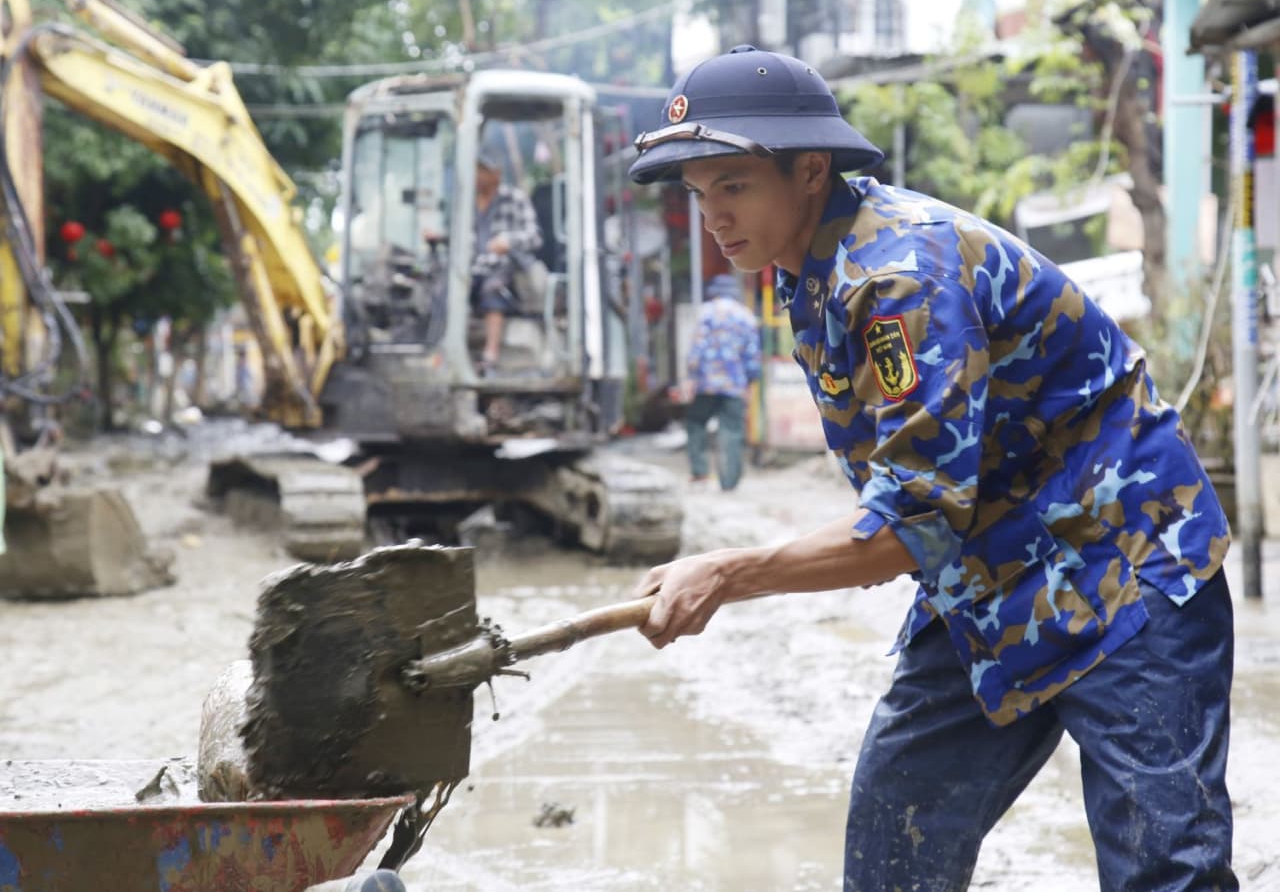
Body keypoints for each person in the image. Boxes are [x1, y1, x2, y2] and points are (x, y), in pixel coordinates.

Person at [627, 45, 1237, 891]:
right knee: (894, 840)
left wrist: (729, 572)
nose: (714, 218)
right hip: (990, 573)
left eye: (733, 186)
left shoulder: (900, 273)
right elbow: (913, 500)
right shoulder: (804, 274)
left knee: (1163, 868)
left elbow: (912, 520)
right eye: (700, 195)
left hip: (1127, 561)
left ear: (810, 171)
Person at [683, 272, 761, 490]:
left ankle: (700, 474)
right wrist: (750, 383)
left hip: (706, 384)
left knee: (696, 423)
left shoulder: (706, 313)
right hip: (735, 385)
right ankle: (729, 482)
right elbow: (752, 355)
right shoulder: (745, 316)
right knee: (732, 431)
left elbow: (696, 348)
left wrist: (690, 378)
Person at [469, 143, 542, 374]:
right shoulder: (465, 203)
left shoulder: (515, 199)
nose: (478, 175)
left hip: (504, 268)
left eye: (483, 169)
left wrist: (508, 241)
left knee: (494, 288)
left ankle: (491, 354)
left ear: (496, 173)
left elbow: (535, 237)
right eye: (476, 169)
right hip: (471, 268)